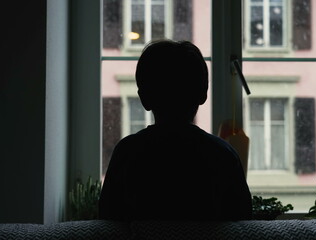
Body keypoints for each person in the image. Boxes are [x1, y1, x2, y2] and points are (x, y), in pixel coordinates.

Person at [99, 40, 252, 221]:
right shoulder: (223, 155)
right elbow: (242, 220)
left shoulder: (127, 152)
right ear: (203, 94)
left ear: (144, 98)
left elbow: (108, 219)